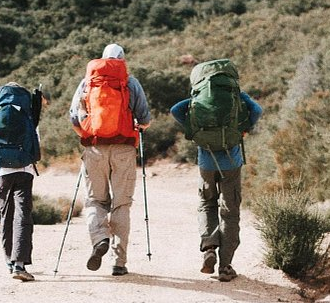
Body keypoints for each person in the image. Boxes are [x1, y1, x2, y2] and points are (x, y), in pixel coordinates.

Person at [170, 64, 262, 282]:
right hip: (232, 162)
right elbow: (257, 111)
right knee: (230, 212)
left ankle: (209, 246)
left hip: (206, 162)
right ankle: (225, 265)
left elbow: (175, 110)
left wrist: (191, 128)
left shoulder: (198, 96)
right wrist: (244, 127)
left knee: (207, 203)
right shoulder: (236, 95)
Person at [68, 43, 152, 276]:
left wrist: (87, 135)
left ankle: (99, 238)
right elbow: (144, 118)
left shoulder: (88, 82)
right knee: (121, 204)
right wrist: (138, 126)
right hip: (123, 149)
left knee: (95, 201)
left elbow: (74, 117)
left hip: (94, 149)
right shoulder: (130, 82)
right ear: (123, 61)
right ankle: (119, 262)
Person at [0, 83, 47, 282]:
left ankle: (9, 261)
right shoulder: (26, 113)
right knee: (23, 215)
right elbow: (36, 145)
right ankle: (19, 264)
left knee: (6, 216)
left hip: (1, 172)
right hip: (24, 171)